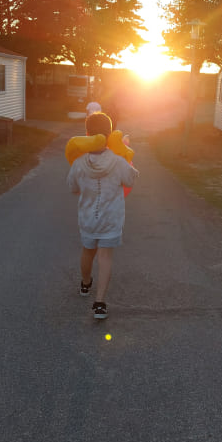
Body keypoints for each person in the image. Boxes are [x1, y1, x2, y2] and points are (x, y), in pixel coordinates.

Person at [67, 112, 138, 319]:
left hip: (88, 218)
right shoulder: (118, 161)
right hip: (111, 219)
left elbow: (72, 187)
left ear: (87, 133)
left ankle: (85, 284)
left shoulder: (79, 163)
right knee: (105, 257)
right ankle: (100, 303)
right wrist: (126, 155)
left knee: (88, 251)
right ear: (109, 134)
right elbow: (131, 181)